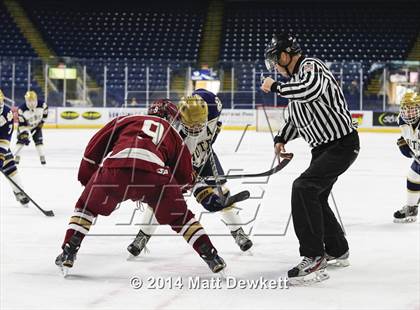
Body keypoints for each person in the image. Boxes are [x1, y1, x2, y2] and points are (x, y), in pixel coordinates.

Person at [55, 100, 226, 275]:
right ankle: (210, 254)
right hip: (155, 176)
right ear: (171, 117)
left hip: (116, 169)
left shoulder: (125, 120)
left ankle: (69, 250)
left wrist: (88, 179)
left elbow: (94, 148)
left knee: (86, 207)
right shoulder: (174, 134)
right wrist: (183, 184)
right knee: (182, 219)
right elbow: (183, 177)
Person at [261, 33, 360, 283]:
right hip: (323, 150)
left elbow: (310, 90)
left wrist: (275, 86)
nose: (274, 66)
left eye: (275, 60)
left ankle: (313, 256)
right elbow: (295, 120)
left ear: (285, 55)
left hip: (342, 144)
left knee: (303, 188)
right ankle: (338, 250)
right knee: (316, 195)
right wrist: (280, 138)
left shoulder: (311, 66)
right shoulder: (295, 83)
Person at [127, 90, 253, 257]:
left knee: (223, 193)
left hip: (206, 157)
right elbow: (185, 173)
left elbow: (210, 112)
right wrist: (201, 190)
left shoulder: (211, 105)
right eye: (190, 125)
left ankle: (238, 233)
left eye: (198, 123)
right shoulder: (173, 135)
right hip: (183, 166)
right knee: (160, 201)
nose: (194, 128)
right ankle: (142, 236)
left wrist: (212, 135)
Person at [0, 89, 30, 207]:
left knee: (9, 164)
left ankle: (19, 191)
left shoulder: (7, 114)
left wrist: (1, 155)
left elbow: (4, 138)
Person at [394, 92, 420, 223]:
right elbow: (409, 138)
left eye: (412, 108)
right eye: (406, 108)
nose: (409, 112)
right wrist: (405, 144)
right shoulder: (401, 120)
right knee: (413, 177)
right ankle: (411, 208)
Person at [15, 90, 48, 165]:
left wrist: (42, 122)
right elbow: (21, 123)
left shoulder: (43, 105)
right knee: (20, 141)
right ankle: (17, 157)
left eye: (33, 100)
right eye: (29, 101)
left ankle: (42, 157)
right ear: (26, 100)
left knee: (39, 142)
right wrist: (24, 134)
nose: (31, 103)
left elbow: (45, 114)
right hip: (25, 126)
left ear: (36, 99)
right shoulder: (21, 110)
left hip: (36, 125)